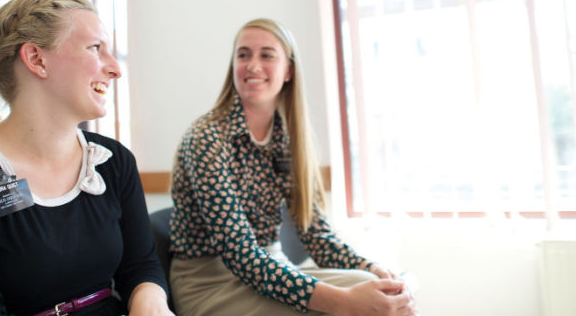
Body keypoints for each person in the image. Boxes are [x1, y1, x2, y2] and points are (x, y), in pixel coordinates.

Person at [0, 0, 173, 316]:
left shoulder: (112, 160)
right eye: (96, 48)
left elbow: (141, 265)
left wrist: (150, 300)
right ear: (36, 59)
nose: (115, 69)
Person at [169, 18, 417, 316]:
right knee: (360, 308)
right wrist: (345, 302)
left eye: (267, 55)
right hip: (212, 281)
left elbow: (317, 236)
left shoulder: (287, 139)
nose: (253, 66)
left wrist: (373, 268)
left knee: (388, 295)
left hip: (272, 266)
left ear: (288, 70)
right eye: (243, 54)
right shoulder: (207, 138)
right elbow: (242, 256)